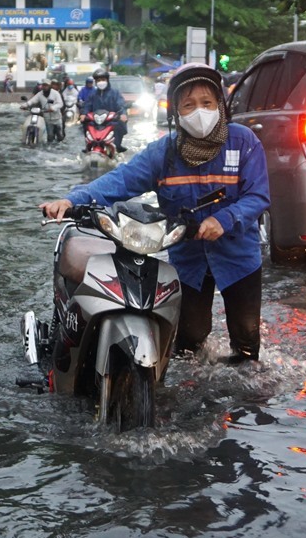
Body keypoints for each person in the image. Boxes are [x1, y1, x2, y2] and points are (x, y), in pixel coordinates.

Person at [41, 63, 270, 364]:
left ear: (220, 106)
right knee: (189, 340)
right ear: (175, 112)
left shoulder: (244, 143)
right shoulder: (163, 153)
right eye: (188, 105)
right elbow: (120, 181)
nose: (199, 112)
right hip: (188, 262)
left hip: (239, 258)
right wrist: (71, 200)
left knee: (246, 340)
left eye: (207, 103)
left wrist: (224, 219)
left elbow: (258, 195)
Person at [79, 68, 127, 151]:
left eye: (103, 79)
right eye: (98, 80)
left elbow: (120, 104)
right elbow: (87, 105)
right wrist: (83, 114)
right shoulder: (92, 94)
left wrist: (122, 114)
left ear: (107, 80)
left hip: (111, 120)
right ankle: (89, 145)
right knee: (86, 124)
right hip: (96, 120)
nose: (101, 82)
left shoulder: (115, 93)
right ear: (96, 82)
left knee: (119, 124)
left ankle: (117, 145)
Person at [22, 78, 63, 143]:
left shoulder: (55, 93)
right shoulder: (40, 94)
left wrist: (53, 108)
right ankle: (50, 149)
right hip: (47, 119)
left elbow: (60, 103)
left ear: (49, 86)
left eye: (46, 85)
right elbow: (32, 100)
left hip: (57, 118)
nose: (44, 87)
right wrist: (25, 105)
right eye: (43, 85)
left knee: (60, 136)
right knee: (50, 136)